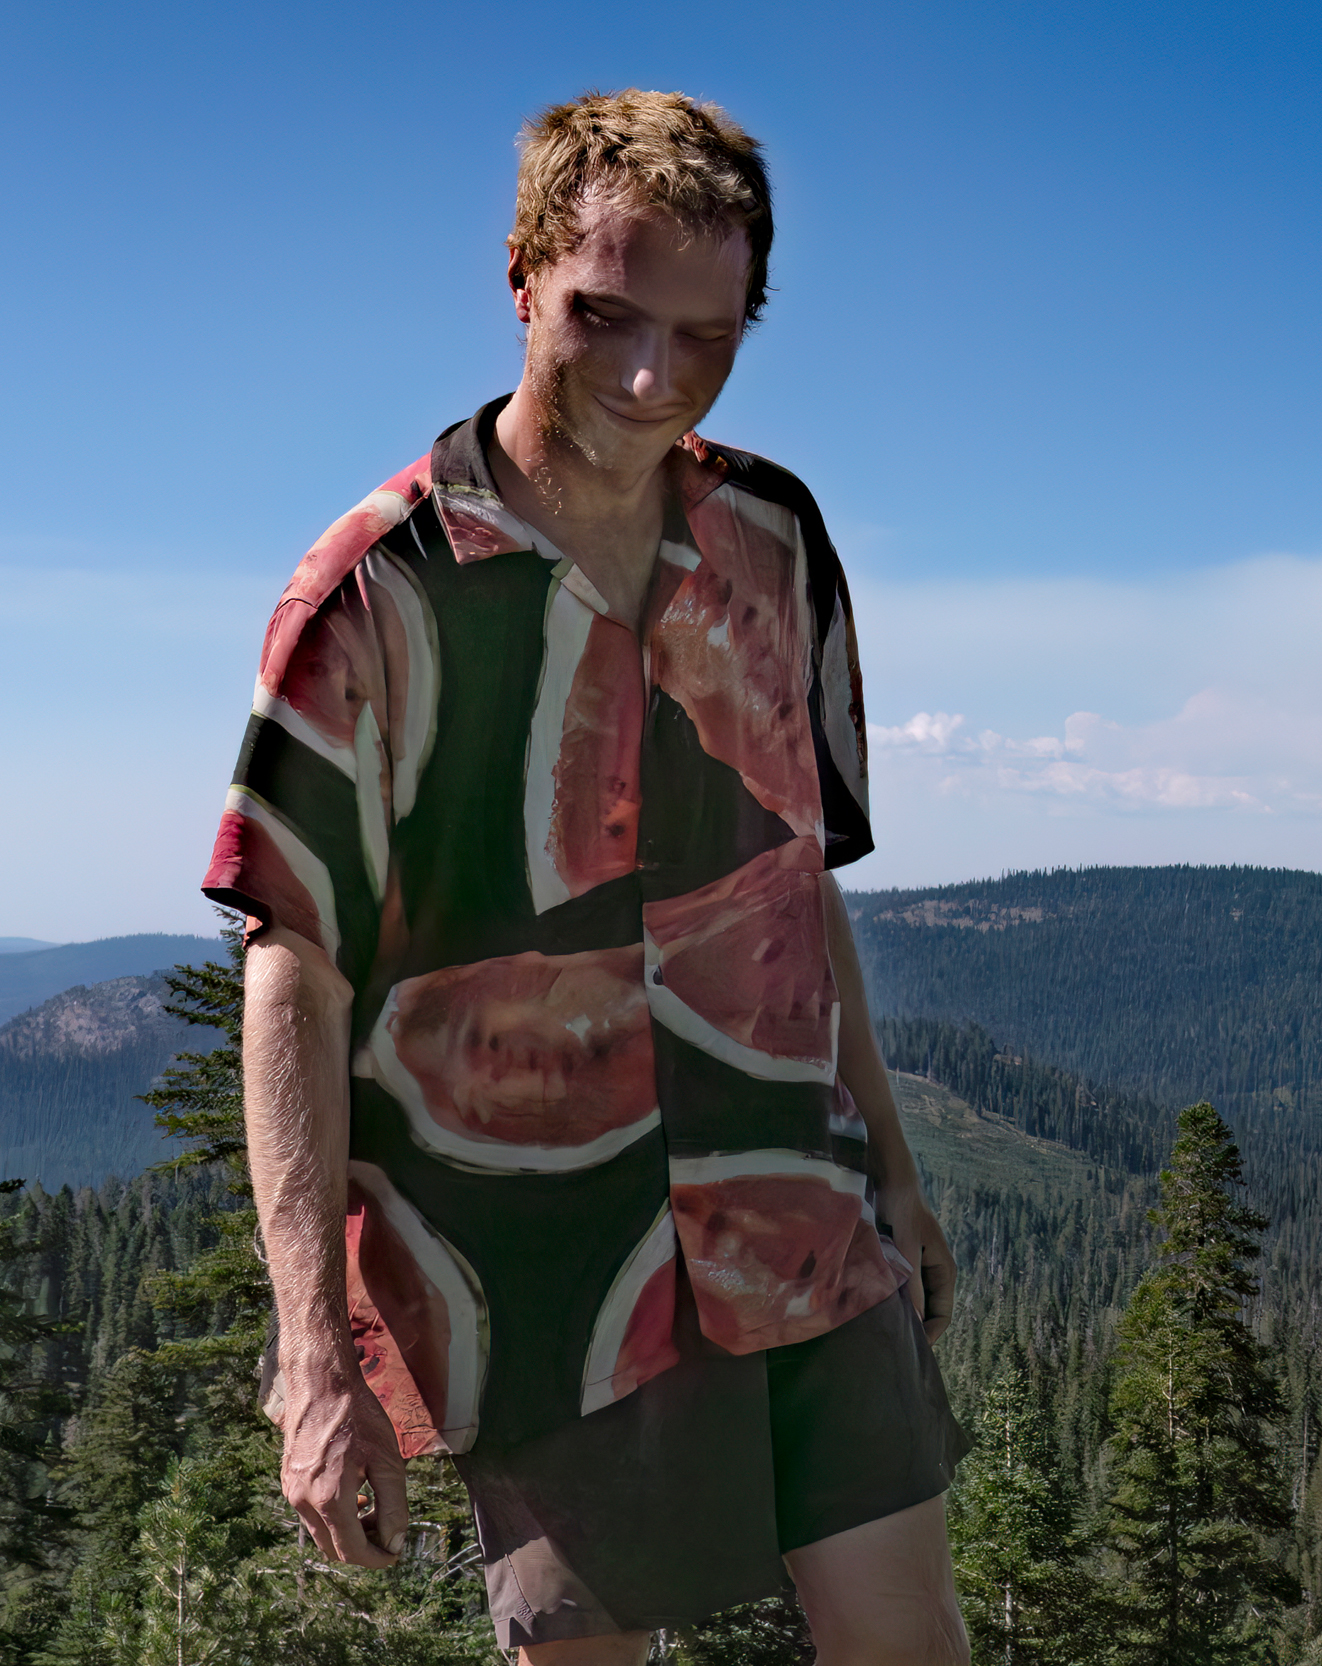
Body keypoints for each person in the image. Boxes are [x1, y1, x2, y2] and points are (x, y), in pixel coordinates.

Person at [201, 90, 970, 1664]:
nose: (650, 377)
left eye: (707, 334)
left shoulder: (779, 537)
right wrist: (311, 1356)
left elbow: (796, 875)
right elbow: (296, 964)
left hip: (799, 1212)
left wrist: (890, 1159)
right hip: (529, 1267)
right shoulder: (374, 593)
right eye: (604, 316)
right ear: (520, 277)